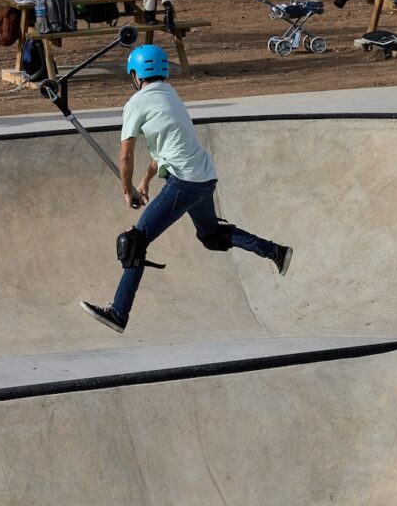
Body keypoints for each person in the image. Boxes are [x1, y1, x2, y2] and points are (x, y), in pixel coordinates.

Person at [81, 45, 292, 334]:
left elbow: (125, 156)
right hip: (204, 178)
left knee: (134, 243)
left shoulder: (136, 103)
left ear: (136, 75)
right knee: (212, 235)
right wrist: (144, 181)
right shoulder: (170, 95)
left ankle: (119, 313)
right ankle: (276, 252)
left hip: (184, 183)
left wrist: (126, 190)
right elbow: (168, 149)